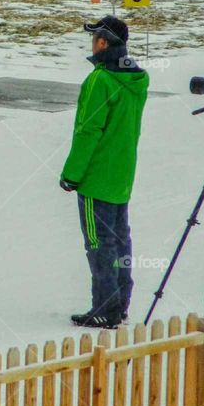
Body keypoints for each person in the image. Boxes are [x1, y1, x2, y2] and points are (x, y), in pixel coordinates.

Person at [60, 16, 148, 329]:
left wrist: (72, 173)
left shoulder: (99, 80)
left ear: (102, 42)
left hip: (97, 178)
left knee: (98, 244)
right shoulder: (136, 80)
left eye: (94, 36)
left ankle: (105, 307)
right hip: (122, 176)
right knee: (120, 239)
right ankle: (120, 302)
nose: (91, 41)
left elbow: (88, 131)